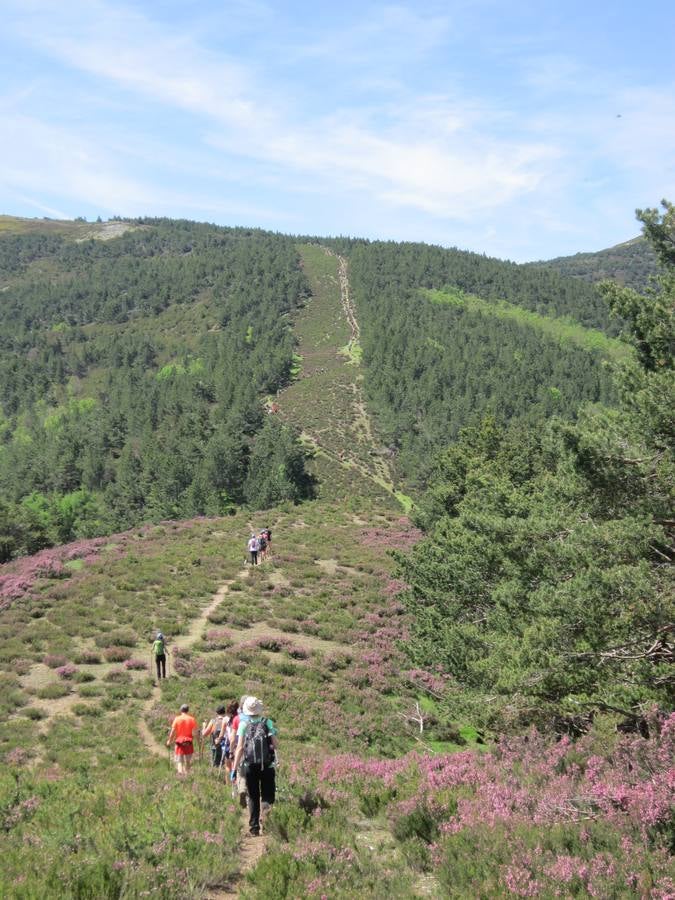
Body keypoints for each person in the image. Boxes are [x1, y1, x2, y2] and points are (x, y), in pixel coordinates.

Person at [231, 697, 278, 836]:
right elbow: (275, 745)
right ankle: (267, 819)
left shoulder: (243, 725)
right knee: (267, 795)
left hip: (250, 766)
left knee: (252, 796)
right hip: (267, 765)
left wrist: (234, 769)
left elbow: (239, 748)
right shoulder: (268, 722)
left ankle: (254, 828)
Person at [167, 703, 199, 776]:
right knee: (188, 761)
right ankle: (187, 776)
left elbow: (173, 731)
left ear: (181, 710)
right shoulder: (192, 719)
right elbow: (195, 733)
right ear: (188, 710)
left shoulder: (177, 719)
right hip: (189, 743)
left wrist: (169, 741)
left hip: (179, 743)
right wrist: (198, 741)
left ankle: (180, 777)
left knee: (180, 762)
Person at [230, 695, 250, 808]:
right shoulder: (258, 718)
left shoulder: (237, 719)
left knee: (240, 772)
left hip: (241, 748)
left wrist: (231, 751)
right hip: (254, 751)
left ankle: (242, 789)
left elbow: (233, 739)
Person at [202, 705, 227, 770]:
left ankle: (215, 777)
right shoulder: (228, 721)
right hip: (226, 746)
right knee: (225, 766)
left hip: (215, 746)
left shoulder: (213, 721)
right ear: (224, 712)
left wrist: (204, 726)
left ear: (216, 712)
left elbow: (204, 734)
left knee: (215, 765)